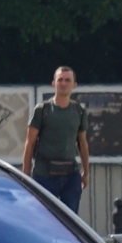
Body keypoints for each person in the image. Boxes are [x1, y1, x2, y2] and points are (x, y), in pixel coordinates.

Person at [22, 67, 91, 210]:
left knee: (70, 222)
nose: (63, 83)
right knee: (44, 218)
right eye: (60, 80)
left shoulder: (79, 111)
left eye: (67, 80)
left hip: (71, 174)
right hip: (44, 175)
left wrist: (85, 172)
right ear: (53, 83)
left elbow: (82, 144)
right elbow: (30, 143)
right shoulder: (43, 110)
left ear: (74, 85)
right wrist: (26, 176)